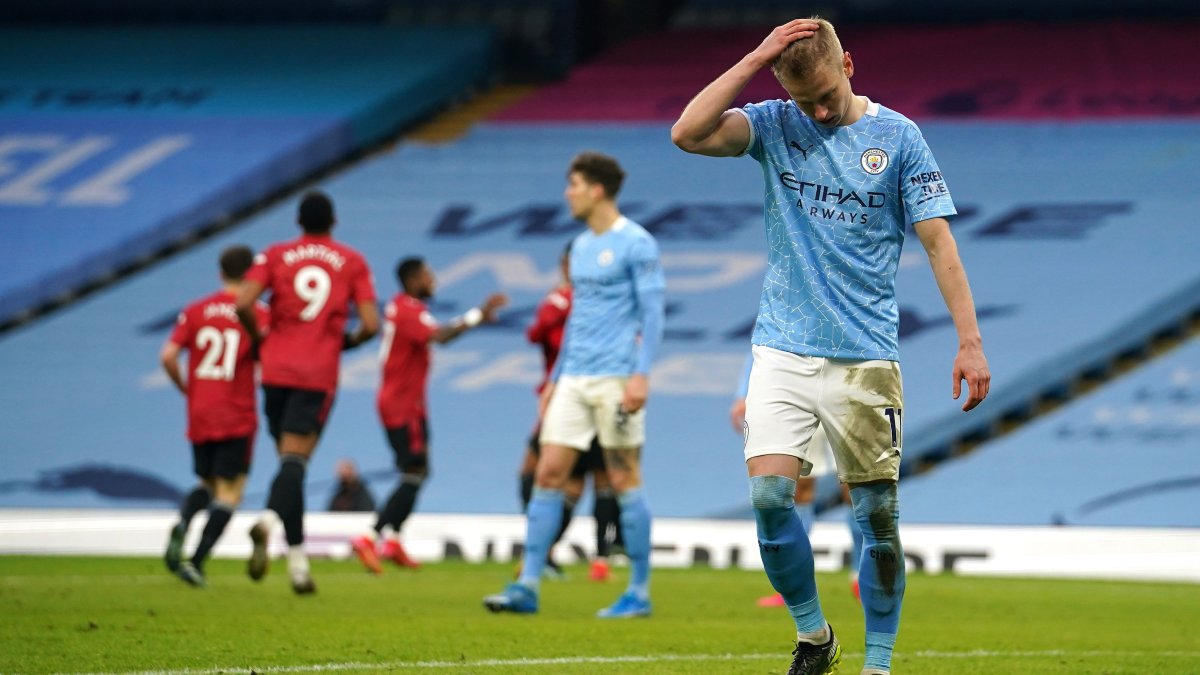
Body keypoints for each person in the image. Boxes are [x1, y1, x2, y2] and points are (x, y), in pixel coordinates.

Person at [672, 17, 991, 675]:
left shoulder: (898, 138)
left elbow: (938, 242)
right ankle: (814, 636)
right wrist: (757, 58)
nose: (816, 110)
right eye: (802, 99)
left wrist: (970, 341)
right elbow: (688, 132)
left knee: (876, 516)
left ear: (849, 63)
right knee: (768, 498)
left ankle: (877, 661)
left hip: (865, 357)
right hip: (782, 349)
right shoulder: (774, 124)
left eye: (824, 94)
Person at [483, 151, 666, 617]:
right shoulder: (581, 247)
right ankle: (526, 584)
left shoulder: (637, 244)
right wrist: (554, 379)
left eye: (574, 184)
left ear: (596, 189)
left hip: (617, 378)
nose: (568, 193)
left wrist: (642, 374)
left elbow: (653, 313)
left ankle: (639, 592)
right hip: (574, 379)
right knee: (547, 474)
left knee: (624, 478)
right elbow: (578, 320)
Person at [235, 190, 379, 594]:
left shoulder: (274, 254)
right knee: (295, 465)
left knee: (289, 466)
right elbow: (370, 323)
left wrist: (262, 340)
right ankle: (266, 521)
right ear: (333, 222)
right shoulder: (351, 261)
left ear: (298, 222)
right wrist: (342, 343)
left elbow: (243, 303)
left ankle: (298, 567)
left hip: (275, 370)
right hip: (315, 373)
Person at [349, 257, 507, 574]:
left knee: (417, 471)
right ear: (411, 280)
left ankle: (392, 539)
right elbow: (441, 338)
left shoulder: (404, 308)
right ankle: (371, 536)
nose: (433, 281)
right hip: (402, 405)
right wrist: (477, 315)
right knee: (414, 471)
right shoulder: (408, 310)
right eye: (427, 276)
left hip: (408, 403)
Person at [161, 245, 267, 588]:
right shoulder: (258, 312)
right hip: (236, 412)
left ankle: (184, 521)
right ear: (252, 275)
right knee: (230, 491)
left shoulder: (195, 310)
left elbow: (168, 356)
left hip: (201, 409)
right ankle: (196, 561)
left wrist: (186, 390)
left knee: (206, 484)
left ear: (221, 273)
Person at [520, 243, 623, 582]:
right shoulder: (584, 301)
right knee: (571, 480)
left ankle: (584, 554)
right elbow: (539, 334)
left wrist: (561, 302)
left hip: (580, 397)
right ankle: (555, 552)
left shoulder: (576, 301)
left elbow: (537, 331)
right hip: (573, 396)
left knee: (579, 478)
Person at [729, 354, 861, 608]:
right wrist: (743, 392)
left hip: (846, 389)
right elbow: (764, 338)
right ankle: (794, 582)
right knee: (800, 489)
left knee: (855, 486)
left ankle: (862, 576)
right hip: (801, 392)